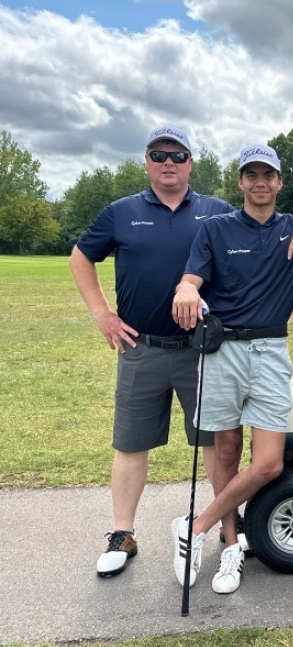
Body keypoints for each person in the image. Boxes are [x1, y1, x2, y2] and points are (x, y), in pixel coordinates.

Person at [170, 143, 293, 594]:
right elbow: (192, 278)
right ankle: (231, 546)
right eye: (251, 175)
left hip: (271, 350)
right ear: (240, 182)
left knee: (268, 462)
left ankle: (193, 528)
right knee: (225, 451)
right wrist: (184, 289)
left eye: (268, 175)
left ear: (279, 182)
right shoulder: (216, 229)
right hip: (222, 352)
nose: (260, 183)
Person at [70, 126, 234, 578]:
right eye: (159, 154)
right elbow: (81, 256)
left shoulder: (217, 213)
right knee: (130, 444)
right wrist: (102, 313)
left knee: (218, 444)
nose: (168, 162)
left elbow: (248, 252)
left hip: (202, 350)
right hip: (141, 348)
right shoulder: (121, 213)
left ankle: (228, 527)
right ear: (146, 161)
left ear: (190, 163)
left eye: (177, 155)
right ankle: (123, 534)